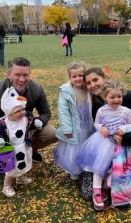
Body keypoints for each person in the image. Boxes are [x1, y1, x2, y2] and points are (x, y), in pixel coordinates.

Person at [0, 57, 57, 163]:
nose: (22, 79)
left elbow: (45, 113)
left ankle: (30, 151)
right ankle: (3, 158)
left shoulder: (36, 89)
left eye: (25, 75)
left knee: (52, 133)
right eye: (17, 75)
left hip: (26, 125)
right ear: (8, 74)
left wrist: (34, 126)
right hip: (3, 128)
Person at [76, 80, 131, 210]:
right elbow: (97, 123)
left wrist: (125, 128)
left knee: (116, 168)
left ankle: (110, 188)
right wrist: (102, 128)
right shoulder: (101, 111)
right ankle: (97, 192)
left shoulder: (126, 111)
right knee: (99, 166)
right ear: (105, 97)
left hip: (120, 144)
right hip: (104, 142)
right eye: (112, 97)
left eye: (119, 96)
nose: (116, 100)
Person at [0, 87, 43, 197]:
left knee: (24, 163)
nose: (22, 113)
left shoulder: (26, 118)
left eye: (22, 109)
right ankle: (7, 185)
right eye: (17, 111)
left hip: (24, 146)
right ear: (9, 112)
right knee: (11, 169)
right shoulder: (2, 123)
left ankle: (20, 177)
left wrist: (36, 122)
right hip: (10, 149)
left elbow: (32, 122)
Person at [55, 62, 93, 181]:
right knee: (74, 149)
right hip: (74, 126)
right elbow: (64, 111)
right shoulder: (66, 91)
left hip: (87, 123)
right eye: (74, 76)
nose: (77, 79)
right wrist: (67, 129)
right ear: (70, 77)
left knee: (86, 147)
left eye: (80, 75)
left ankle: (85, 168)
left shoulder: (88, 89)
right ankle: (74, 170)